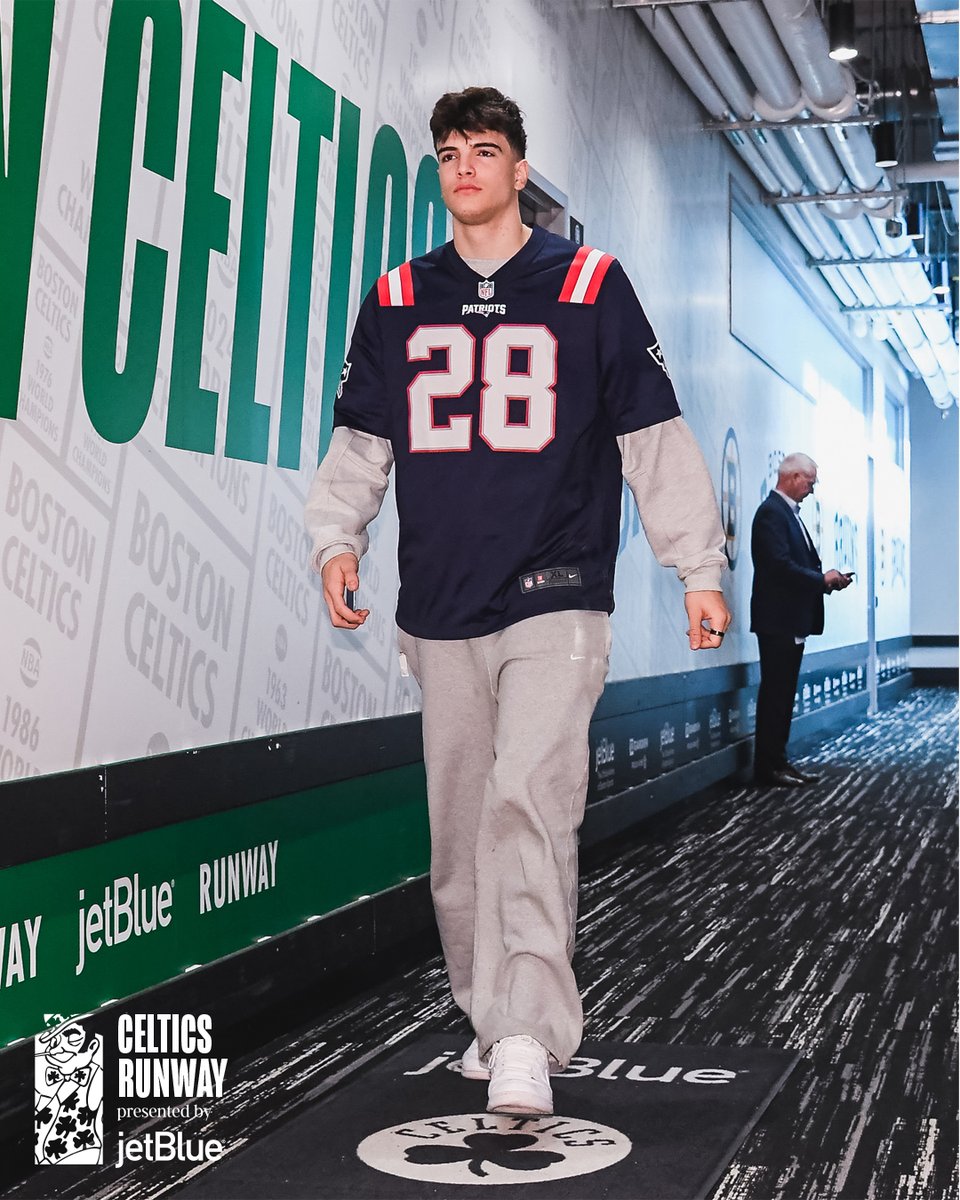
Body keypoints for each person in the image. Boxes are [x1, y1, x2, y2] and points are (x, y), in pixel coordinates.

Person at [305, 86, 730, 1116]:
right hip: (439, 603)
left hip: (557, 592)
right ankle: (488, 1017)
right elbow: (363, 444)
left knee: (528, 802)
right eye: (450, 153)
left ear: (519, 167)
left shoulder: (588, 283)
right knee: (461, 838)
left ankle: (530, 1032)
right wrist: (336, 539)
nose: (465, 168)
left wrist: (699, 569)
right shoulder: (398, 295)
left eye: (484, 150)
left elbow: (651, 440)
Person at [750, 452, 853, 787]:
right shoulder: (772, 513)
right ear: (793, 477)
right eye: (810, 482)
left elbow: (791, 567)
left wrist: (825, 582)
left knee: (783, 696)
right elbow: (779, 567)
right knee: (776, 696)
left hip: (789, 620)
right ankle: (769, 767)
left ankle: (778, 762)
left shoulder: (786, 514)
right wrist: (821, 580)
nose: (812, 489)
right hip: (778, 621)